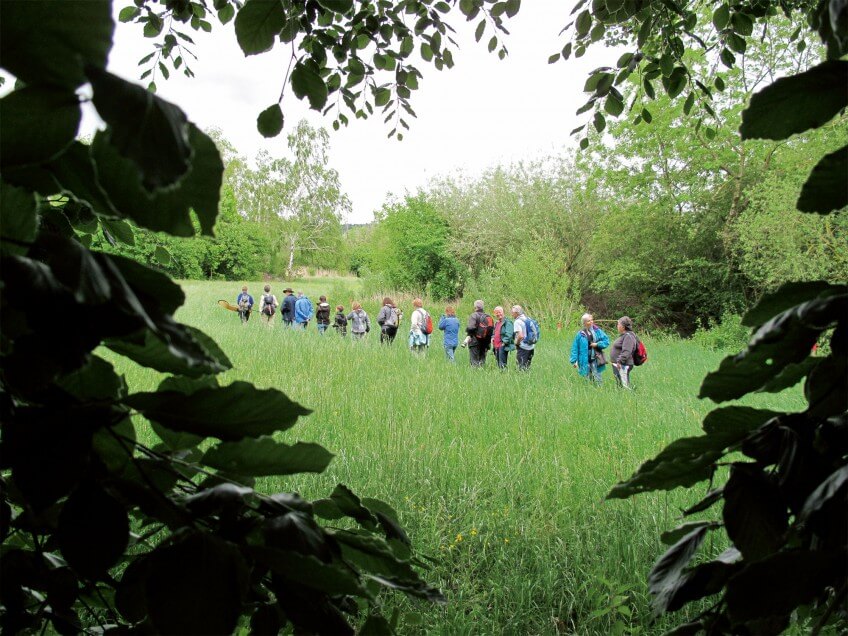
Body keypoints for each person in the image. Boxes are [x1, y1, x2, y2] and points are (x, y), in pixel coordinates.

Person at [570, 313, 610, 383]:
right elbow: (575, 348)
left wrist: (597, 344)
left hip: (595, 358)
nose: (591, 322)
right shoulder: (580, 334)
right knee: (587, 379)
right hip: (584, 360)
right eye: (589, 321)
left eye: (592, 320)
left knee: (598, 378)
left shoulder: (597, 331)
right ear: (584, 323)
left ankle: (599, 391)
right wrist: (574, 361)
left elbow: (606, 341)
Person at [610, 316, 638, 389]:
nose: (617, 326)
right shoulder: (624, 335)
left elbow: (627, 351)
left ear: (623, 326)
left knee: (625, 386)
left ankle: (631, 397)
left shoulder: (628, 336)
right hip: (619, 364)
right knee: (620, 385)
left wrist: (620, 361)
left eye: (618, 324)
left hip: (623, 364)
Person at [466, 300, 493, 367]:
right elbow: (491, 330)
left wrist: (467, 332)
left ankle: (475, 375)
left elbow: (471, 328)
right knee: (482, 360)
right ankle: (481, 373)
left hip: (474, 342)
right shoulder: (488, 317)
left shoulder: (473, 315)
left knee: (474, 361)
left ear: (475, 307)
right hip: (485, 343)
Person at [512, 305, 535, 370]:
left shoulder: (517, 322)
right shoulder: (528, 318)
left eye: (512, 313)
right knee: (527, 367)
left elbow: (520, 336)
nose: (512, 314)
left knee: (521, 367)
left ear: (516, 313)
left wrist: (517, 343)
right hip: (531, 347)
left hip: (523, 348)